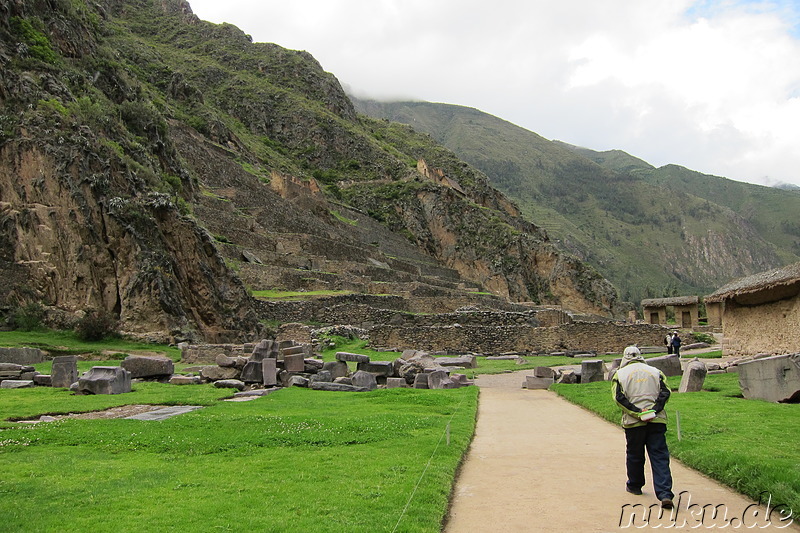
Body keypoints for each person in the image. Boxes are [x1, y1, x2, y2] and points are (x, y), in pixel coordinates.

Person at [612, 345, 675, 509]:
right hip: (656, 420)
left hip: (634, 423)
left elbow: (619, 398)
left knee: (635, 454)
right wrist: (653, 410)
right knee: (659, 455)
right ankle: (665, 493)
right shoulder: (655, 372)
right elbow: (666, 392)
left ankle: (635, 485)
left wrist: (638, 412)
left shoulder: (620, 375)